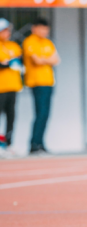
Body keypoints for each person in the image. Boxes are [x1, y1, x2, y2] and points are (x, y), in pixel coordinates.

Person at [22, 18, 60, 155]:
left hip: (49, 82)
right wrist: (47, 59)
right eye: (42, 28)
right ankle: (34, 143)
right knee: (40, 113)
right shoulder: (29, 41)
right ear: (34, 28)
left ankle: (41, 143)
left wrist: (44, 59)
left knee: (45, 114)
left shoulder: (48, 42)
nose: (44, 31)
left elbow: (56, 60)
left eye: (46, 28)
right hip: (37, 82)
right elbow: (36, 60)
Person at [0, 19, 23, 157]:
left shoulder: (13, 45)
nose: (7, 33)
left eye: (7, 30)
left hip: (13, 86)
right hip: (1, 87)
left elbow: (19, 60)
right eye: (4, 30)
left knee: (11, 116)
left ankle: (9, 143)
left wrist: (7, 63)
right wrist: (7, 63)